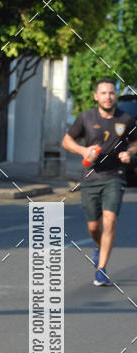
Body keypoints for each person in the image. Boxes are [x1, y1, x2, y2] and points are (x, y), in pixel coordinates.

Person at [62, 78, 137, 286]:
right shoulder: (86, 118)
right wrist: (83, 150)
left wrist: (129, 152)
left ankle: (101, 268)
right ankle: (98, 245)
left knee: (110, 219)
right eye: (103, 93)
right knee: (94, 226)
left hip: (115, 176)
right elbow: (67, 141)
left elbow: (135, 142)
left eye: (111, 93)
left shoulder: (127, 119)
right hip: (90, 177)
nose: (108, 96)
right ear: (96, 96)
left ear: (115, 96)